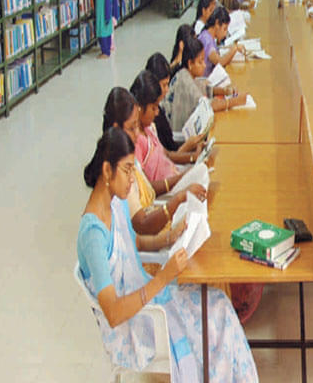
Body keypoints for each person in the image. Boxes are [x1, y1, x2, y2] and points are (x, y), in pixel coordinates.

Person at [77, 127, 258, 382]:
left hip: (146, 298)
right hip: (136, 324)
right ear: (107, 170)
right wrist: (164, 277)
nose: (132, 180)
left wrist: (170, 238)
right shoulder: (93, 235)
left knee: (218, 303)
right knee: (216, 315)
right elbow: (114, 314)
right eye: (128, 170)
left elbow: (132, 244)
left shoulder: (114, 204)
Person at [102, 87, 206, 236]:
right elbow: (142, 224)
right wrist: (178, 198)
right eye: (132, 128)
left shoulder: (128, 156)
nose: (137, 134)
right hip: (149, 235)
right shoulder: (119, 169)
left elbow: (148, 188)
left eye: (137, 126)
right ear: (116, 128)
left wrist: (184, 178)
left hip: (155, 221)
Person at [163, 38, 247, 131]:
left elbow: (205, 88)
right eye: (200, 61)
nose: (204, 65)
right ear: (190, 63)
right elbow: (206, 106)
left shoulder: (186, 74)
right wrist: (234, 102)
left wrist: (225, 91)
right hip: (178, 136)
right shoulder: (185, 81)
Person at [145, 52, 204, 155]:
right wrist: (188, 149)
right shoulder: (150, 117)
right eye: (164, 85)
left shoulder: (158, 108)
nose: (167, 90)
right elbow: (165, 158)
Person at [199, 7, 244, 77]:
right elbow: (220, 62)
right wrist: (234, 48)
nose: (225, 34)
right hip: (207, 80)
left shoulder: (208, 35)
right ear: (217, 24)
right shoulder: (206, 40)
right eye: (224, 29)